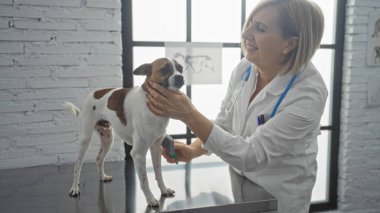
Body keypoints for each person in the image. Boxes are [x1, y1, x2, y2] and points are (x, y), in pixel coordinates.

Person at [146, 0, 327, 212]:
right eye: (249, 23)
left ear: (289, 44)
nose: (246, 33)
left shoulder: (308, 93)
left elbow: (251, 156)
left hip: (280, 198)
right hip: (241, 188)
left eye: (260, 28)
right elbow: (225, 123)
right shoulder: (246, 69)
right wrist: (193, 150)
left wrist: (189, 115)